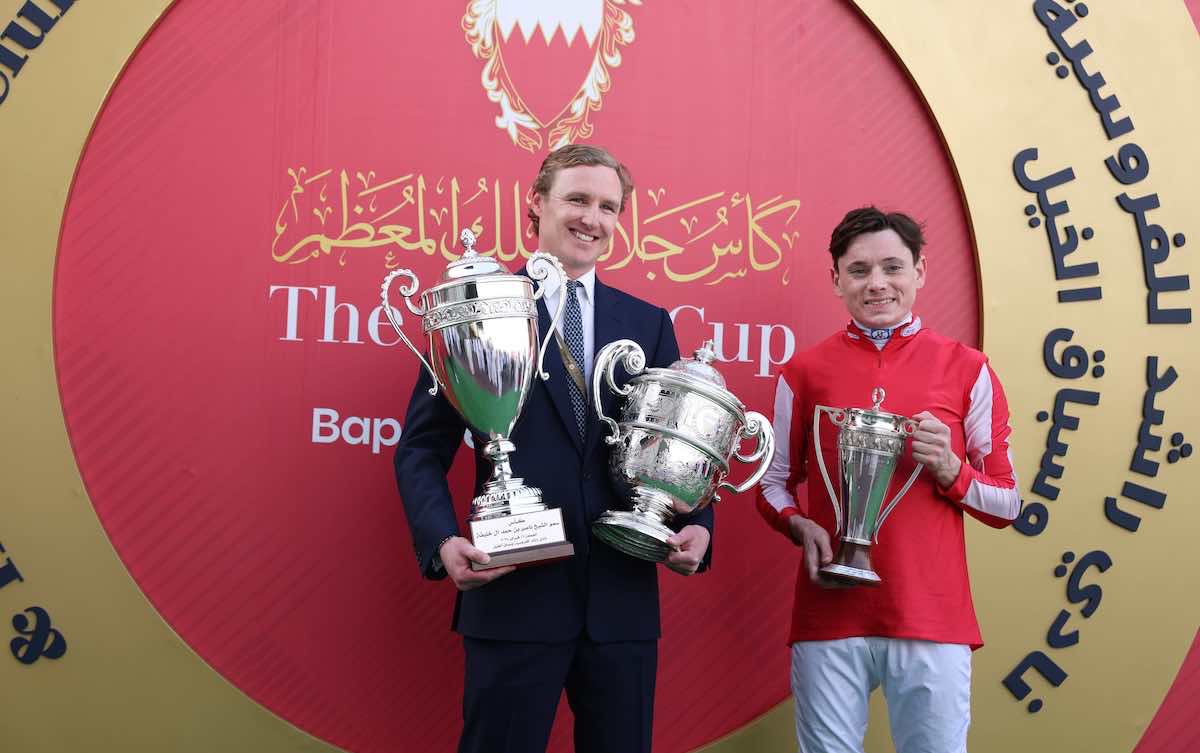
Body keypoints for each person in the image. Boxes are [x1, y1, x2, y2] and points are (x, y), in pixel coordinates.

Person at [394, 143, 713, 753]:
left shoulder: (649, 323)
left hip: (621, 606)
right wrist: (442, 541)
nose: (592, 218)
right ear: (535, 205)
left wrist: (699, 525)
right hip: (512, 597)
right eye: (577, 199)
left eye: (608, 207)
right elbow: (420, 448)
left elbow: (679, 444)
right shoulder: (477, 307)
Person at [756, 207, 1020, 753]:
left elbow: (1007, 504)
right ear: (835, 280)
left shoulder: (968, 368)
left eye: (893, 267)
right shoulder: (803, 372)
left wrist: (951, 469)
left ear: (920, 272)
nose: (877, 284)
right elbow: (771, 481)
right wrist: (797, 526)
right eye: (859, 270)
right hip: (828, 611)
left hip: (932, 617)